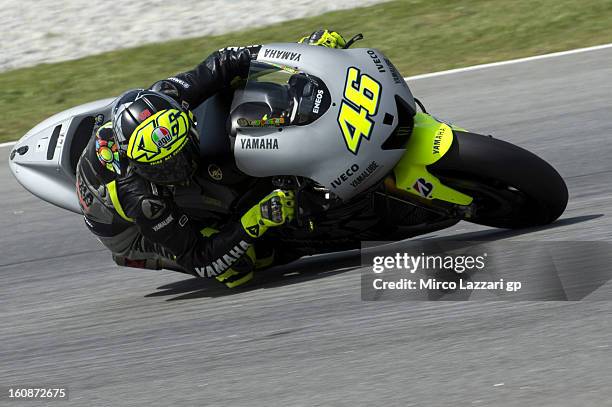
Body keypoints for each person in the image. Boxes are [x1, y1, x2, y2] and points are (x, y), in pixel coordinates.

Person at [75, 30, 346, 288]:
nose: (180, 167)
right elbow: (199, 258)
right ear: (140, 165)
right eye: (165, 166)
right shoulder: (144, 201)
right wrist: (254, 220)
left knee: (230, 90)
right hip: (125, 230)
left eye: (180, 153)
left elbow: (224, 61)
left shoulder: (169, 95)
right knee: (239, 267)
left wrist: (306, 56)